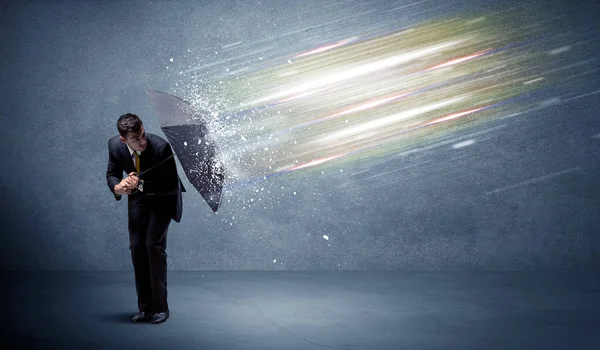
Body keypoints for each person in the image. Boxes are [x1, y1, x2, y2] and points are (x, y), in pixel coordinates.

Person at [106, 113, 186, 324]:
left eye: (142, 135)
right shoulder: (114, 145)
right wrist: (117, 186)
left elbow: (170, 186)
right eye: (136, 139)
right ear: (124, 140)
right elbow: (112, 173)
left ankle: (160, 308)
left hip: (163, 200)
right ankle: (145, 308)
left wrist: (138, 184)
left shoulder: (161, 147)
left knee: (152, 246)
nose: (142, 141)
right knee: (137, 248)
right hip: (138, 201)